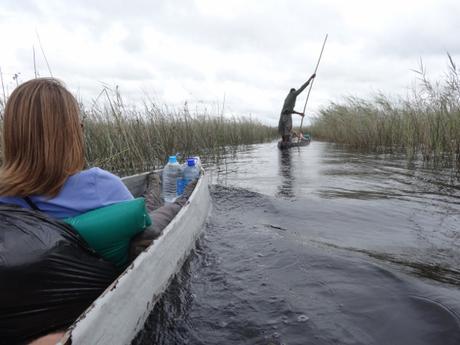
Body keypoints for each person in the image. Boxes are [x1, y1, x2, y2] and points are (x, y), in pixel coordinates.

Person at [0, 78, 134, 218]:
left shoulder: (4, 197)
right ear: (69, 133)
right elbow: (142, 227)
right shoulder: (99, 186)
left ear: (11, 135)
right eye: (79, 126)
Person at [278, 73, 316, 144]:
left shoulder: (287, 97)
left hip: (282, 115)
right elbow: (302, 88)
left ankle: (284, 142)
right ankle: (285, 143)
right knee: (287, 130)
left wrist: (299, 113)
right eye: (294, 92)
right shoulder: (293, 94)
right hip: (286, 115)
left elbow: (290, 110)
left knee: (283, 130)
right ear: (293, 91)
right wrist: (310, 78)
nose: (295, 93)